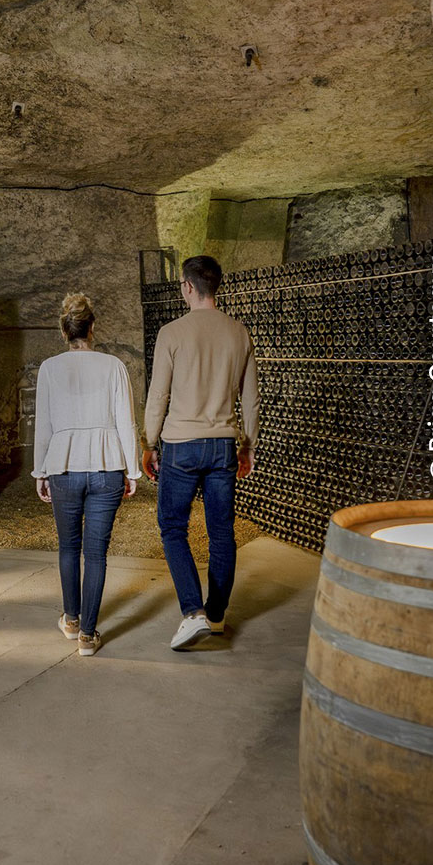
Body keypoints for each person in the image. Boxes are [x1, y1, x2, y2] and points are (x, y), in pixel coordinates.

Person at [142, 255, 260, 650]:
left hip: (180, 445)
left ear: (188, 287)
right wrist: (248, 446)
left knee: (174, 528)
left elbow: (159, 394)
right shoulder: (239, 332)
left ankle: (192, 613)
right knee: (221, 532)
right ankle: (217, 614)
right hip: (224, 444)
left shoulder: (171, 333)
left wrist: (149, 441)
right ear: (217, 287)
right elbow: (252, 400)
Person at [33, 293, 141, 656]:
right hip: (107, 466)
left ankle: (72, 619)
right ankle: (88, 636)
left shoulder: (49, 368)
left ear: (64, 331)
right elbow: (126, 421)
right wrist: (132, 469)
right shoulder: (113, 366)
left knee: (68, 547)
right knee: (96, 552)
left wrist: (40, 470)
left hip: (63, 466)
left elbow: (43, 426)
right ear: (92, 327)